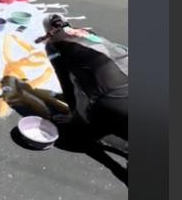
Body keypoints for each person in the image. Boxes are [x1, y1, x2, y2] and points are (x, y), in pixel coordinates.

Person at [33, 13, 129, 144]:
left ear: (46, 31)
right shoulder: (85, 32)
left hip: (113, 99)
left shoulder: (53, 46)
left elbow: (67, 84)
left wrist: (74, 115)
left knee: (85, 129)